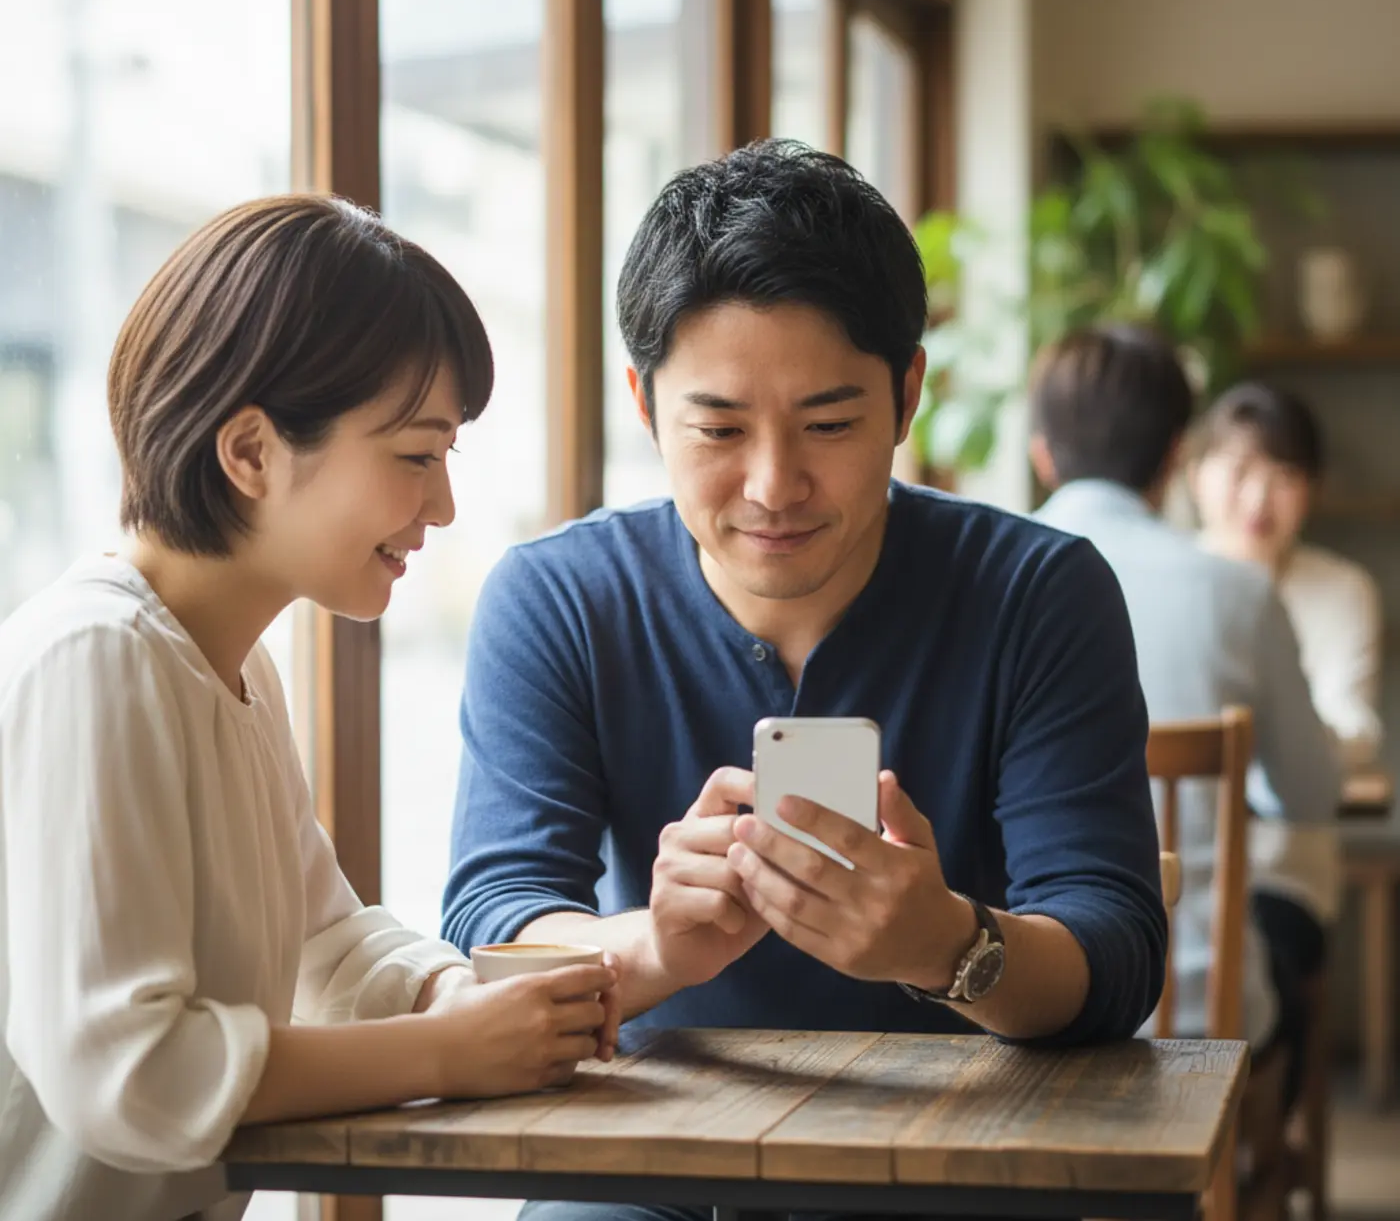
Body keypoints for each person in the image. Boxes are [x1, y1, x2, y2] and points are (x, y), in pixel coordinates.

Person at [444, 141, 1167, 1221]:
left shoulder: (1034, 591)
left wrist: (944, 943)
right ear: (643, 405)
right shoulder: (559, 599)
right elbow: (493, 922)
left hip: (966, 1159)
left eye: (828, 423)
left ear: (907, 392)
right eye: (719, 427)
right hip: (654, 1165)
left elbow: (1112, 948)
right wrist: (649, 944)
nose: (774, 484)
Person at [0, 196, 618, 1221]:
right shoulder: (98, 658)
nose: (442, 506)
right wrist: (446, 1051)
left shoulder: (228, 667)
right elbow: (130, 1069)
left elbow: (325, 946)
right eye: (415, 455)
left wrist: (451, 995)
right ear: (249, 451)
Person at [1030, 326, 1341, 1102]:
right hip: (1203, 1006)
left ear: (1041, 452)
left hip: (1018, 1004)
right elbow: (1309, 795)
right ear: (1176, 456)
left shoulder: (973, 583)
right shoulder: (1237, 592)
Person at [1191, 382, 1383, 1023]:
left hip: (1282, 868)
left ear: (1313, 489)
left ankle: (1263, 1116)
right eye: (1240, 470)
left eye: (1284, 476)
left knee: (1268, 961)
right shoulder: (1173, 582)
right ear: (1195, 474)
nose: (1257, 499)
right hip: (1169, 864)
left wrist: (1277, 738)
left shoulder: (1341, 590)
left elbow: (1358, 729)